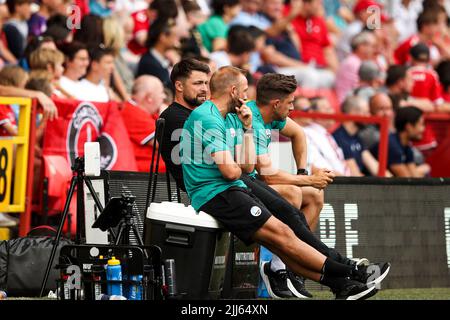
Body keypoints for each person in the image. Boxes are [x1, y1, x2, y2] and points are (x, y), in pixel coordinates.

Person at [180, 66, 390, 300]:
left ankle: (342, 285)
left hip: (234, 186)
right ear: (233, 91)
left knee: (286, 232)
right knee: (284, 232)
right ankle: (352, 271)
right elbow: (232, 171)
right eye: (245, 90)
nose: (248, 98)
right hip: (215, 193)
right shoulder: (207, 117)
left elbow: (246, 168)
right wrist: (307, 178)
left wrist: (247, 130)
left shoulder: (233, 116)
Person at [121, 75, 167, 172]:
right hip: (142, 177)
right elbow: (167, 143)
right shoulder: (131, 112)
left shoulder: (146, 112)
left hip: (156, 173)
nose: (164, 97)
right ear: (149, 98)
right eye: (162, 93)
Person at [370, 106, 430, 177]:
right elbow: (407, 181)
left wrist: (419, 171)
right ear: (409, 127)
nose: (423, 129)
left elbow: (414, 176)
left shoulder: (406, 146)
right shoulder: (392, 145)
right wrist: (422, 170)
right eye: (421, 124)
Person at [333, 95, 383, 176]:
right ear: (353, 113)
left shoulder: (356, 137)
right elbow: (355, 175)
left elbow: (374, 166)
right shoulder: (339, 138)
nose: (369, 116)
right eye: (366, 112)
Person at [136, 17, 181, 91]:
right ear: (163, 37)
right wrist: (177, 67)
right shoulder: (149, 63)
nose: (177, 39)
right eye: (175, 35)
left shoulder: (165, 58)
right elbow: (171, 90)